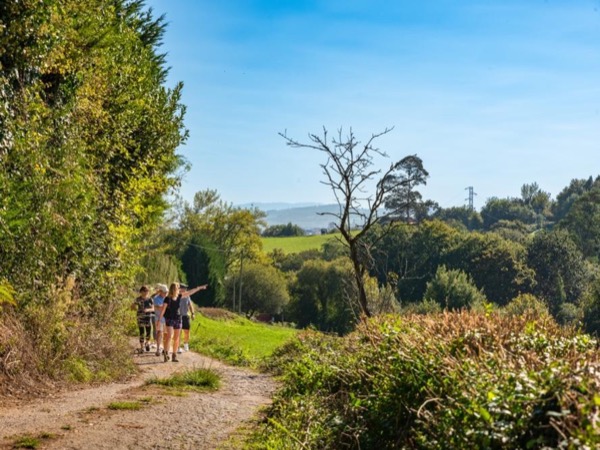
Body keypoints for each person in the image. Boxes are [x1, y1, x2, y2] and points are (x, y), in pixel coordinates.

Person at [157, 282, 208, 362]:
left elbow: (190, 292)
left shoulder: (179, 297)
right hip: (169, 318)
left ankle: (174, 355)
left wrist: (199, 288)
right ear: (174, 289)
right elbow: (163, 310)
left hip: (178, 318)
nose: (179, 289)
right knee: (169, 336)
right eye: (178, 288)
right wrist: (159, 321)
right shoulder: (167, 298)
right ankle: (166, 353)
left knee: (176, 338)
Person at [132, 285, 154, 353]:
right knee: (141, 332)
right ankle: (142, 347)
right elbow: (132, 306)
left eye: (147, 291)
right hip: (140, 317)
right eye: (144, 291)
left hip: (148, 317)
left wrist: (147, 310)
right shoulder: (138, 299)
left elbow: (153, 308)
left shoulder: (150, 299)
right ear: (141, 292)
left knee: (148, 332)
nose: (146, 292)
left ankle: (147, 343)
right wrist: (135, 308)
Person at [178, 284, 197, 353]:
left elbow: (190, 305)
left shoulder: (187, 296)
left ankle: (186, 344)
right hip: (178, 316)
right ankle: (178, 346)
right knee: (178, 332)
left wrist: (193, 313)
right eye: (183, 288)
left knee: (187, 331)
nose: (185, 289)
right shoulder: (176, 296)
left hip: (185, 315)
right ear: (180, 289)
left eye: (185, 288)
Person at [152, 284, 168, 356]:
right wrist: (166, 306)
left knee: (166, 334)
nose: (165, 293)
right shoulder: (156, 298)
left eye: (166, 292)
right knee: (159, 333)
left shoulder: (167, 298)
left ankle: (165, 349)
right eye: (164, 292)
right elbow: (158, 307)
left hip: (167, 319)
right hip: (159, 318)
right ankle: (158, 349)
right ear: (161, 291)